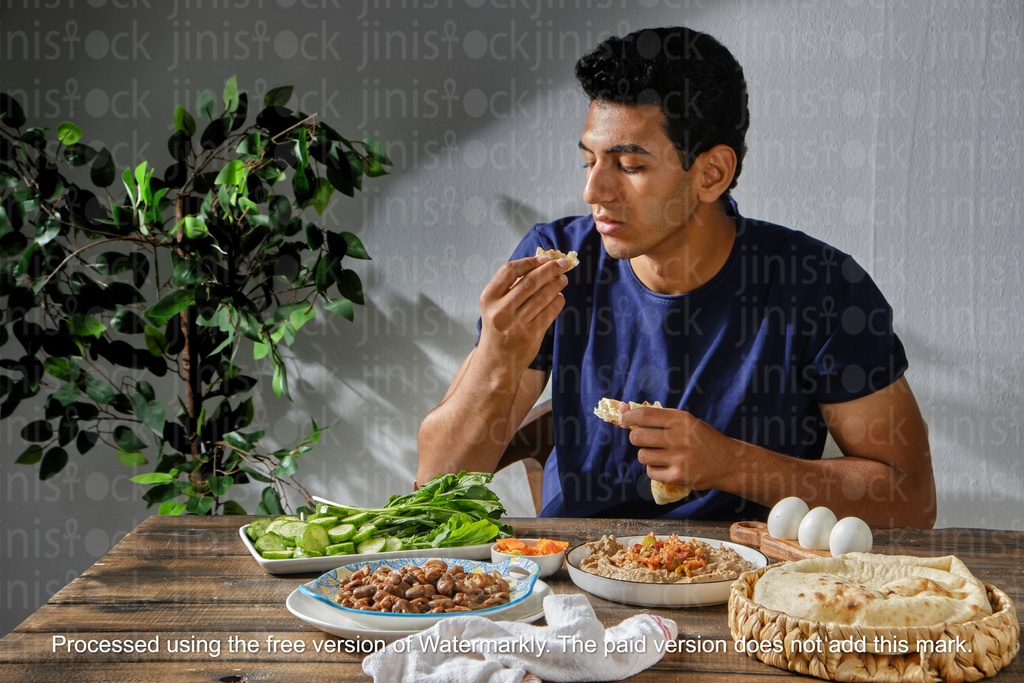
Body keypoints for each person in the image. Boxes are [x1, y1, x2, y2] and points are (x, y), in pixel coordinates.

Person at [417, 26, 936, 527]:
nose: (594, 191)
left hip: (747, 591)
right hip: (575, 582)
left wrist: (731, 463)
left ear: (712, 173)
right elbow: (434, 487)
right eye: (589, 161)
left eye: (629, 165)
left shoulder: (821, 284)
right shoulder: (557, 260)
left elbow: (911, 500)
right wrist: (497, 358)